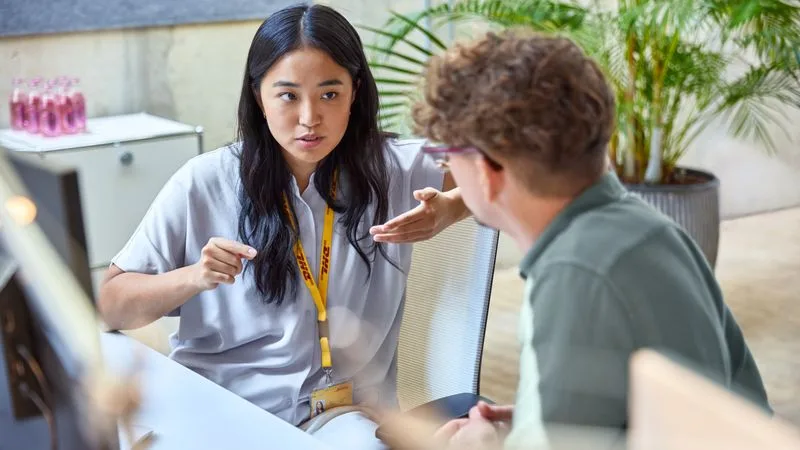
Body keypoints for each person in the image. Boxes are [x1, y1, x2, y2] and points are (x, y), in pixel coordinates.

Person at [98, 4, 469, 448]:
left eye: (329, 94)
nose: (309, 117)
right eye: (288, 95)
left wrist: (452, 207)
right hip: (217, 407)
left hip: (337, 418)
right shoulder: (205, 181)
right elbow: (109, 306)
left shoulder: (394, 167)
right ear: (259, 96)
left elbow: (514, 167)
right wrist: (193, 277)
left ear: (355, 92)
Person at [410, 30, 771, 449]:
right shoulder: (648, 229)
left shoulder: (575, 275)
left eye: (446, 158)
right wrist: (534, 418)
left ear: (487, 171)